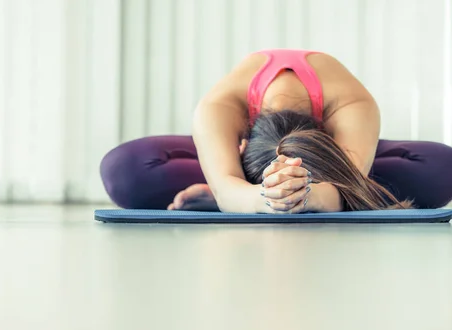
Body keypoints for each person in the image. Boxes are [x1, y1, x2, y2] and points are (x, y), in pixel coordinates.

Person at [99, 49, 452, 213]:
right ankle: (235, 184)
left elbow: (349, 188)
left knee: (440, 167)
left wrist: (305, 195)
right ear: (240, 146)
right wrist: (265, 197)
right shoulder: (219, 107)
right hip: (244, 146)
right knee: (127, 170)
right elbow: (347, 200)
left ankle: (233, 191)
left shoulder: (352, 105)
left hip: (336, 153)